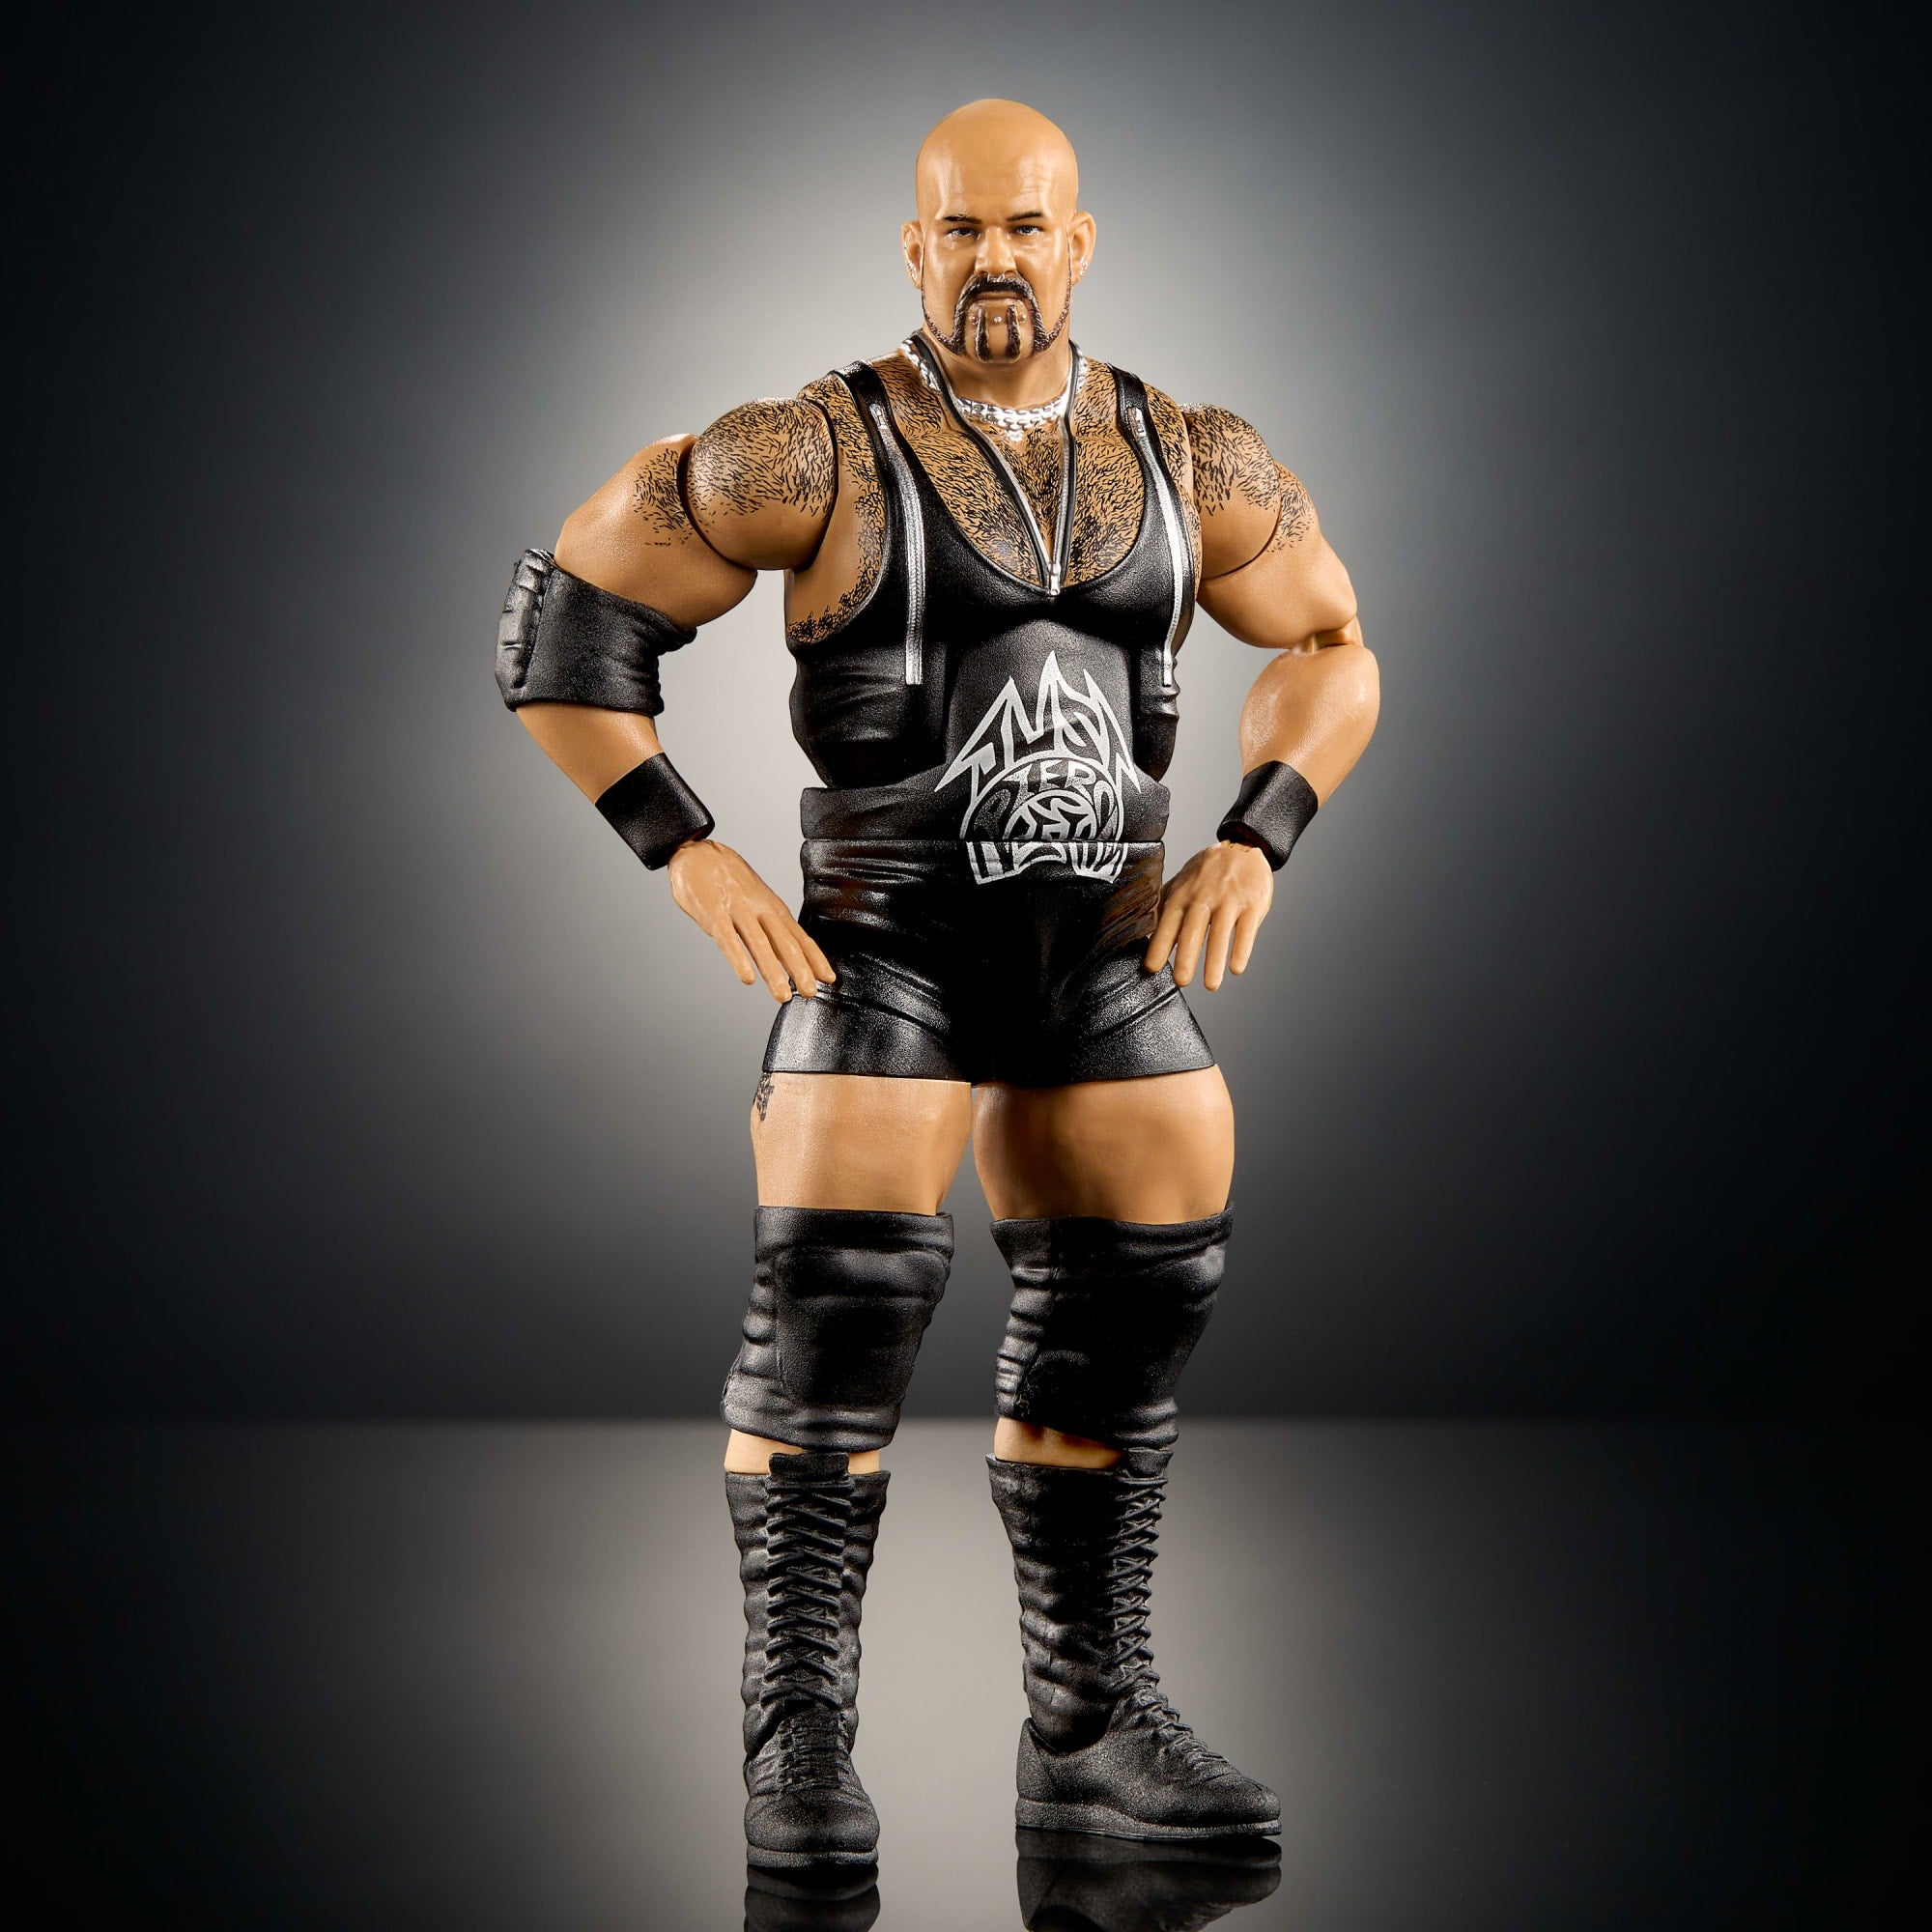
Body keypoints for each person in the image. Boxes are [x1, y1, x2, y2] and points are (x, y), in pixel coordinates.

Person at [496, 99, 1378, 1870]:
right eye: (960, 229)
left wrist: (1258, 835)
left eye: (1025, 227)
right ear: (915, 247)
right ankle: (799, 1753)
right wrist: (692, 854)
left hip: (1106, 959)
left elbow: (1330, 644)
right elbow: (568, 626)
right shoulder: (807, 449)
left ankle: (1091, 1730)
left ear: (1079, 241)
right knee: (835, 1325)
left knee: (1128, 1323)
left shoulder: (1193, 454)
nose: (994, 260)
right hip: (883, 953)